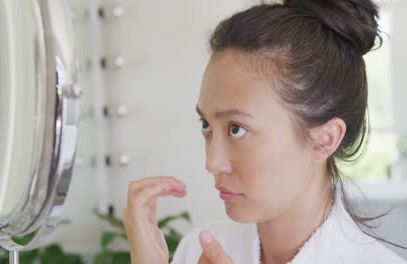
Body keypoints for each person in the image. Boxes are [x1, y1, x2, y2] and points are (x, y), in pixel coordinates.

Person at [122, 0, 407, 263]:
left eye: (236, 129)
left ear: (324, 139)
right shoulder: (198, 250)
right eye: (206, 125)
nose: (212, 163)